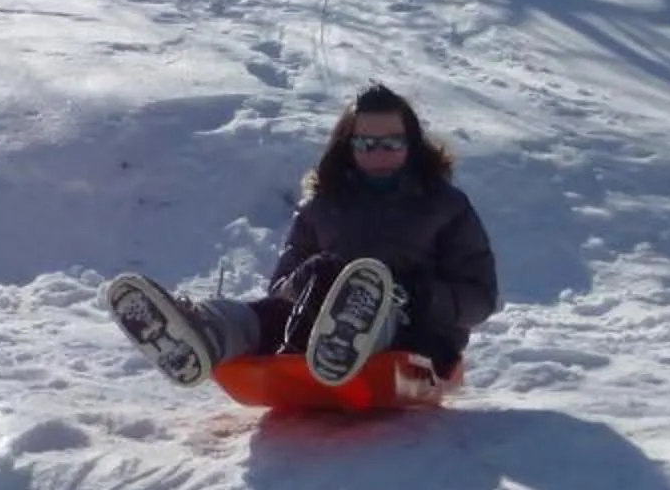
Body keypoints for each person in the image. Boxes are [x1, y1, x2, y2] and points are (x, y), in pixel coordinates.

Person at [102, 84, 498, 391]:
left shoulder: (445, 206)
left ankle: (348, 332)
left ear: (412, 146)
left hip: (412, 338)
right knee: (268, 313)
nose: (379, 153)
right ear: (349, 147)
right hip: (311, 327)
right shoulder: (323, 206)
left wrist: (419, 293)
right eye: (366, 143)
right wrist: (314, 274)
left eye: (392, 142)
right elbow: (281, 286)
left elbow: (480, 297)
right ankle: (204, 333)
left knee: (372, 300)